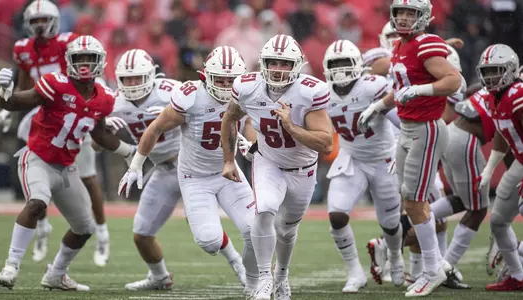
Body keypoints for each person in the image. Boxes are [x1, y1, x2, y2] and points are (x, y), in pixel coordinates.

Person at [0, 35, 135, 291]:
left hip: (68, 167)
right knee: (37, 202)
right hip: (37, 158)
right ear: (69, 61)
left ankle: (56, 274)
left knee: (84, 227)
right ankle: (11, 265)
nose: (83, 64)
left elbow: (100, 133)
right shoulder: (55, 84)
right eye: (78, 58)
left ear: (99, 62)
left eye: (88, 58)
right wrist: (5, 90)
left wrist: (129, 152)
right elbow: (13, 103)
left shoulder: (103, 97)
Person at [118, 46, 258, 296]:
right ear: (205, 76)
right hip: (194, 177)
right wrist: (135, 164)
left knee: (255, 230)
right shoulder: (190, 95)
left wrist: (253, 144)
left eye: (231, 80)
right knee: (209, 241)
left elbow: (249, 125)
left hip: (229, 172)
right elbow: (155, 128)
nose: (226, 86)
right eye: (220, 79)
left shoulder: (247, 92)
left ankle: (257, 281)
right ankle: (161, 276)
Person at [357, 0, 462, 296]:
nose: (404, 18)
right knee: (409, 198)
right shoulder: (402, 45)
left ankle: (432, 269)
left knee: (415, 201)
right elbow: (402, 87)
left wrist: (423, 89)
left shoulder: (424, 43)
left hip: (425, 129)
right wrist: (379, 106)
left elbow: (454, 80)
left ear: (424, 17)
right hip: (408, 128)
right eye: (400, 12)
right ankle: (433, 265)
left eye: (411, 13)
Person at [0, 0, 110, 265]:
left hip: (74, 113)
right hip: (44, 115)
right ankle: (42, 226)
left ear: (55, 20)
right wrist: (11, 107)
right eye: (33, 21)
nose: (38, 25)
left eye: (42, 20)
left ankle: (102, 232)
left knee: (88, 176)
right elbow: (26, 83)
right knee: (35, 171)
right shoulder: (22, 48)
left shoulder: (68, 43)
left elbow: (86, 68)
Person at [221, 34, 334, 300]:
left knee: (286, 229)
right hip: (268, 161)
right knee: (265, 210)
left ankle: (281, 276)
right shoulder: (248, 87)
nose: (277, 69)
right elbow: (229, 118)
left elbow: (326, 144)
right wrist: (228, 159)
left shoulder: (309, 92)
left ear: (296, 65)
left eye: (284, 63)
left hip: (302, 168)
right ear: (263, 63)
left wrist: (292, 127)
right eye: (272, 62)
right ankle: (263, 278)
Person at [322, 39, 404, 292]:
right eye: (335, 64)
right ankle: (355, 272)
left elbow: (399, 122)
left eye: (345, 63)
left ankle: (396, 258)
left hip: (383, 159)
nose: (340, 69)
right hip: (351, 159)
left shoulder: (373, 86)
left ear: (357, 64)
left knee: (390, 223)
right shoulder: (323, 92)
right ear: (326, 66)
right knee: (336, 213)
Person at [475, 44, 523, 291]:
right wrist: (489, 169)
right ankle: (518, 276)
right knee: (498, 221)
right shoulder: (494, 97)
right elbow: (503, 135)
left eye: (495, 71)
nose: (490, 77)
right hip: (521, 163)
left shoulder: (518, 94)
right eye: (487, 71)